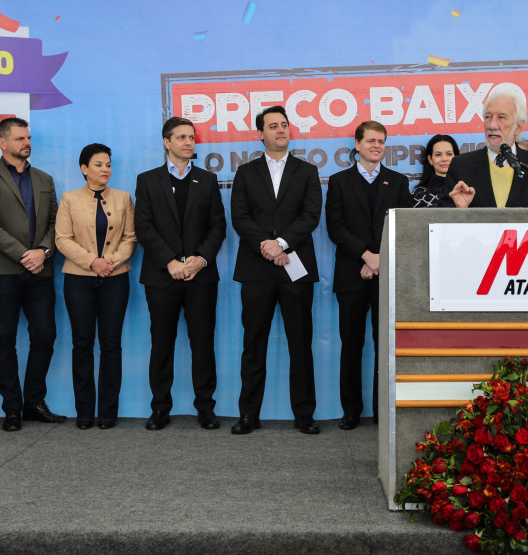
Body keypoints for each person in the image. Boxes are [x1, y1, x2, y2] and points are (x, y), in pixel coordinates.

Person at [230, 106, 322, 435]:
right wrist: (268, 247)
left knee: (301, 343)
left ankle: (305, 415)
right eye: (273, 126)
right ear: (261, 134)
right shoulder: (245, 172)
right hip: (257, 269)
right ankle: (248, 415)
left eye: (284, 125)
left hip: (296, 267)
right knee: (254, 343)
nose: (281, 129)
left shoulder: (307, 171)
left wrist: (281, 243)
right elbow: (240, 218)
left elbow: (311, 216)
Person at [0, 117, 65, 432]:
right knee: (4, 340)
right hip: (1, 271)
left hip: (41, 269)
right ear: (3, 143)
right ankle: (11, 407)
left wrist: (44, 252)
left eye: (28, 137)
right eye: (21, 138)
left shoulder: (44, 178)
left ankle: (34, 402)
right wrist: (24, 255)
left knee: (45, 336)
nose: (27, 143)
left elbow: (56, 223)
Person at [135, 117, 226, 431]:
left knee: (203, 343)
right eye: (182, 137)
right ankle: (160, 408)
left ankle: (206, 408)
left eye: (192, 137)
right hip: (162, 277)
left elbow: (218, 226)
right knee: (162, 343)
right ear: (167, 142)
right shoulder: (147, 180)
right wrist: (170, 262)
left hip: (201, 276)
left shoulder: (208, 180)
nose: (189, 142)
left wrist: (200, 259)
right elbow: (143, 227)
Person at [326, 121, 411, 430]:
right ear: (357, 144)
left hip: (386, 274)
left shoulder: (398, 181)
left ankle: (381, 412)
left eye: (382, 141)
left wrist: (379, 261)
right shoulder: (338, 181)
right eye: (372, 140)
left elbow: (403, 228)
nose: (377, 145)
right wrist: (366, 256)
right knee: (351, 344)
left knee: (384, 346)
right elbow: (335, 227)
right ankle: (351, 411)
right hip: (351, 274)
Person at [56, 144, 135, 430]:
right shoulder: (69, 199)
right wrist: (92, 262)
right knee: (82, 344)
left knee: (111, 345)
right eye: (99, 165)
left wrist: (109, 261)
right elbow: (62, 239)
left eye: (109, 165)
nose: (105, 170)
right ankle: (85, 412)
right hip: (78, 278)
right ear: (84, 168)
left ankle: (108, 413)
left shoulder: (124, 198)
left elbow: (131, 238)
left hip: (116, 277)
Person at [441, 91, 528, 208]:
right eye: (488, 117)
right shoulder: (461, 165)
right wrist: (459, 210)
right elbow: (443, 216)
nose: (492, 125)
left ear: (518, 127)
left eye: (501, 117)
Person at [412, 134, 459, 207]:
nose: (444, 159)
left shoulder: (466, 190)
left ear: (456, 157)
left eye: (449, 154)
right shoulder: (420, 193)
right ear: (430, 159)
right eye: (438, 155)